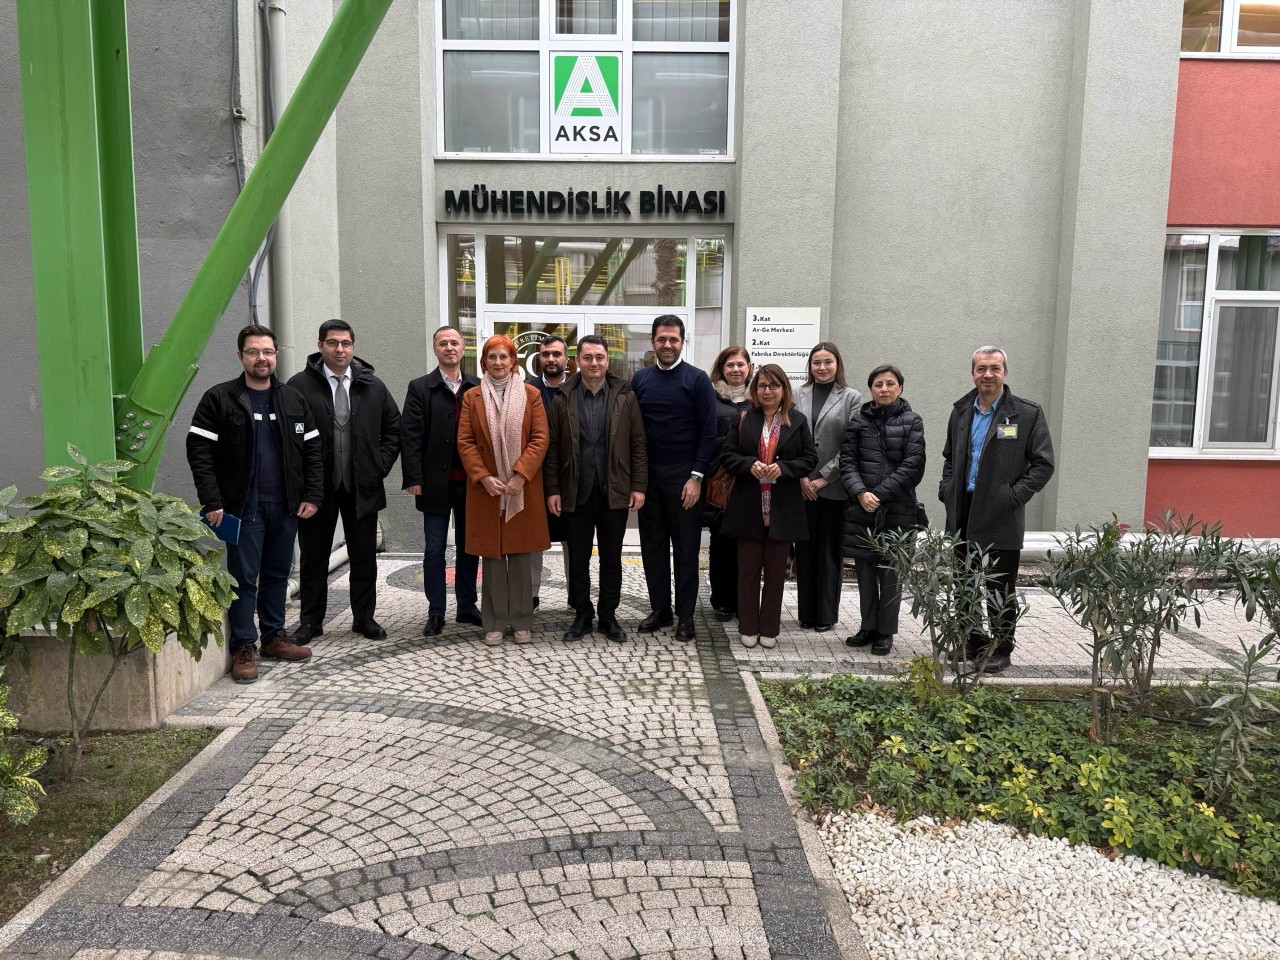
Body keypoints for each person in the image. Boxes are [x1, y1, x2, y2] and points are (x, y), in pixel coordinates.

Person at [186, 324, 323, 683]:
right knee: (243, 579)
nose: (261, 358)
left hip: (285, 506)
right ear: (240, 356)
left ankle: (274, 637)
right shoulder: (219, 399)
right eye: (253, 352)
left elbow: (312, 451)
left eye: (267, 351)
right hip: (242, 507)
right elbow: (199, 452)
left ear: (276, 355)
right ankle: (244, 646)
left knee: (278, 574)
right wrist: (212, 500)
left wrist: (312, 494)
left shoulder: (293, 399)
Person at [939, 345, 1055, 673]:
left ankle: (1001, 648)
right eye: (981, 368)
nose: (987, 374)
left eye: (994, 368)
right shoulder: (961, 411)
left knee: (999, 587)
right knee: (965, 582)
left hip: (1001, 512)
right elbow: (950, 458)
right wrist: (947, 490)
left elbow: (1043, 464)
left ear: (1005, 372)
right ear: (972, 373)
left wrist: (1012, 497)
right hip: (963, 509)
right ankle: (973, 640)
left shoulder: (1026, 414)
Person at [288, 320, 401, 643]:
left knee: (364, 556)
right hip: (316, 489)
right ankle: (311, 621)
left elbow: (394, 429)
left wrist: (379, 467)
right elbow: (289, 438)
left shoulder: (372, 386)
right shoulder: (299, 386)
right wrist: (301, 482)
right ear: (320, 345)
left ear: (353, 347)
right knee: (314, 558)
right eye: (333, 343)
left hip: (362, 487)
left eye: (346, 343)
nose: (340, 349)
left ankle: (364, 618)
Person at [544, 335, 648, 642]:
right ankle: (582, 615)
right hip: (575, 490)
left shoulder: (625, 396)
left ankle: (608, 616)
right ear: (577, 361)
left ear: (607, 360)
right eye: (587, 357)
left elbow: (638, 444)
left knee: (611, 558)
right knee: (578, 558)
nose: (593, 363)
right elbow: (552, 449)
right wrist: (553, 489)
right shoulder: (563, 398)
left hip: (613, 489)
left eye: (599, 357)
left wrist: (638, 485)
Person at [458, 334, 551, 646]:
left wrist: (521, 475)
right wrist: (483, 476)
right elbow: (465, 442)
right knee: (493, 559)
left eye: (503, 357)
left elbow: (540, 438)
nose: (498, 362)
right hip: (487, 491)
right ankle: (495, 622)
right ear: (484, 362)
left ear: (513, 361)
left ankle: (522, 621)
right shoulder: (471, 397)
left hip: (521, 489)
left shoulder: (531, 394)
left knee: (521, 556)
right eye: (492, 357)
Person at [631, 315, 718, 641]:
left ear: (682, 342)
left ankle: (686, 616)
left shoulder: (697, 380)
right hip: (650, 482)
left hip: (685, 482)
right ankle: (661, 610)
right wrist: (637, 482)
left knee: (685, 552)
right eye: (662, 339)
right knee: (652, 549)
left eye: (673, 339)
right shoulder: (640, 379)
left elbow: (708, 433)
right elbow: (634, 432)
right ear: (653, 342)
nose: (667, 345)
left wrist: (696, 477)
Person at [718, 365, 817, 649]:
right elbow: (727, 455)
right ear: (755, 389)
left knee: (775, 575)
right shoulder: (743, 419)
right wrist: (749, 464)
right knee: (747, 572)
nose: (767, 391)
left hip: (782, 509)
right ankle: (748, 627)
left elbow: (810, 459)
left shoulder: (797, 421)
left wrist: (783, 468)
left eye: (774, 385)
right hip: (748, 509)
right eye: (762, 385)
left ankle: (769, 628)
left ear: (784, 389)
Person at [400, 326, 482, 637]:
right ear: (435, 350)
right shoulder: (420, 387)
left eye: (454, 342)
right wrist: (413, 477)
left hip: (472, 484)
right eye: (443, 343)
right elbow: (410, 435)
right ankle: (436, 611)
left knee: (469, 547)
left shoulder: (478, 386)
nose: (449, 347)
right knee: (434, 549)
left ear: (464, 348)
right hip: (434, 483)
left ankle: (466, 606)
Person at [840, 364, 926, 656]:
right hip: (862, 508)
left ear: (900, 388)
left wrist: (878, 494)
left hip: (897, 509)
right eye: (878, 384)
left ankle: (885, 632)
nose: (884, 389)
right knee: (864, 572)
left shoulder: (913, 421)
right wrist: (860, 492)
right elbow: (847, 462)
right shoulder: (858, 422)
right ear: (871, 389)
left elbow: (913, 466)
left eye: (890, 383)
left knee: (891, 574)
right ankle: (868, 626)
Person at [794, 342, 862, 632]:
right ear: (810, 366)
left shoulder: (851, 397)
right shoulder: (797, 394)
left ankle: (825, 615)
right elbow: (789, 437)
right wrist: (801, 477)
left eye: (828, 362)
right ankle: (806, 613)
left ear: (837, 364)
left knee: (829, 553)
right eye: (816, 362)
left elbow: (852, 444)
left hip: (833, 488)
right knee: (804, 551)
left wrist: (824, 477)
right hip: (801, 486)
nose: (822, 367)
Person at [705, 345, 753, 622]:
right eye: (730, 365)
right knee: (721, 545)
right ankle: (722, 601)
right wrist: (734, 443)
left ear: (749, 368)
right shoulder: (711, 398)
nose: (735, 369)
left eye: (740, 364)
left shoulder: (759, 398)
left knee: (748, 546)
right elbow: (704, 438)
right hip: (721, 479)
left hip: (751, 482)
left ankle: (743, 600)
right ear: (721, 369)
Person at [527, 334, 571, 611]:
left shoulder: (578, 388)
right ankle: (531, 595)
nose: (551, 359)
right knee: (533, 539)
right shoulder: (526, 390)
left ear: (567, 359)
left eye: (556, 354)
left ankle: (576, 595)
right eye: (546, 354)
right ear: (539, 359)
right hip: (535, 478)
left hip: (571, 478)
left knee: (573, 540)